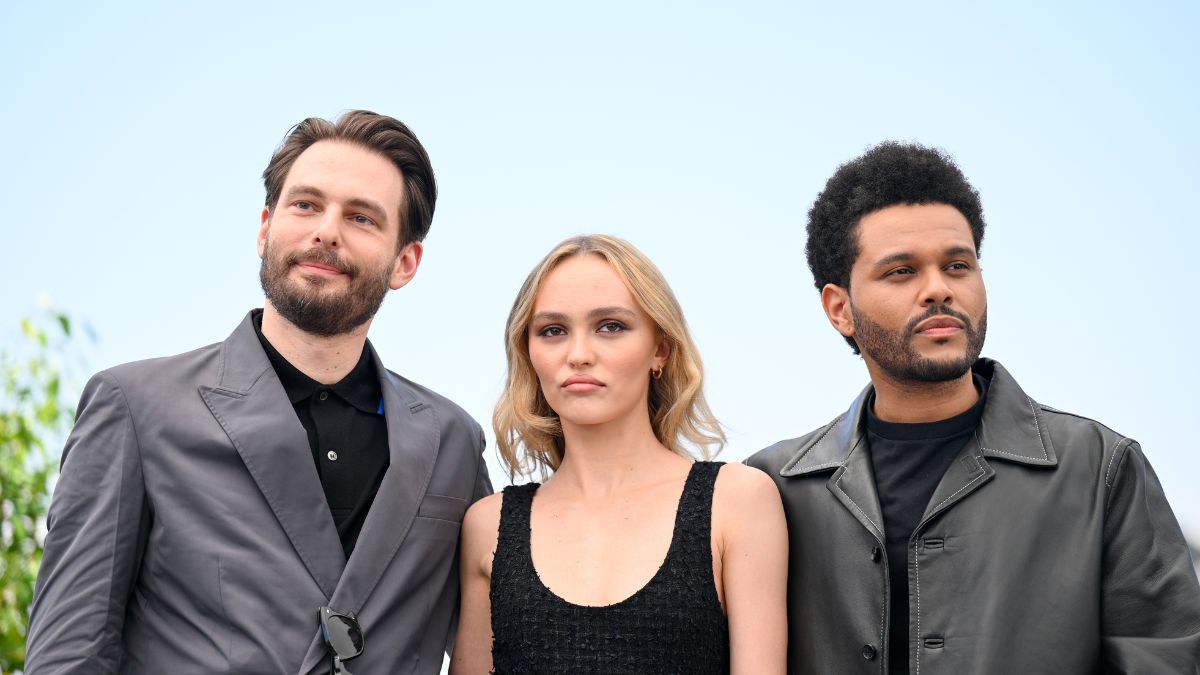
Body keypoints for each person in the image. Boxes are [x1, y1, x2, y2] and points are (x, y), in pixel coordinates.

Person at [26, 110, 492, 674]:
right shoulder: (134, 407)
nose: (326, 231)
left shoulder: (454, 441)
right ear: (264, 228)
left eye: (362, 218)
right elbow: (67, 656)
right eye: (305, 205)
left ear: (405, 263)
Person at [747, 142, 1200, 674]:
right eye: (901, 272)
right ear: (840, 309)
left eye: (958, 265)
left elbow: (1165, 660)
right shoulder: (771, 487)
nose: (938, 290)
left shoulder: (1100, 467)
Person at [449, 235, 788, 674]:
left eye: (611, 326)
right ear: (528, 354)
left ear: (660, 350)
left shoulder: (736, 500)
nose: (579, 354)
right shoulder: (489, 525)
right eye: (552, 331)